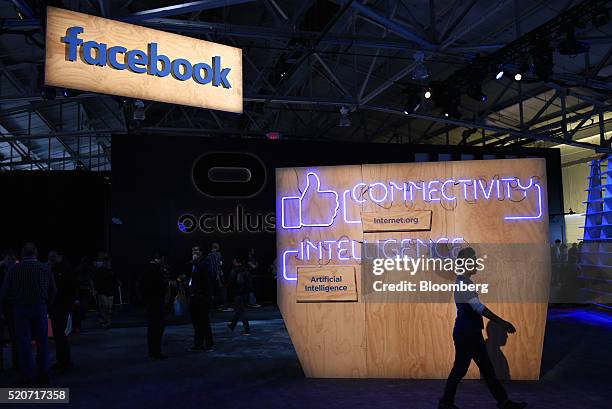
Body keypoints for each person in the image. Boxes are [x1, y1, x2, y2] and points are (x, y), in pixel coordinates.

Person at [439, 247, 527, 409]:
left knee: (476, 369)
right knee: (470, 369)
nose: (476, 262)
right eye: (473, 260)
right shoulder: (464, 283)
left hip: (468, 333)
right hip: (468, 334)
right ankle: (447, 402)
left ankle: (447, 402)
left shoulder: (463, 281)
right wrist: (503, 322)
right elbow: (478, 308)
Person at [0, 243, 56, 386]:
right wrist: (47, 305)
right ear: (36, 253)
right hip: (40, 307)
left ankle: (27, 376)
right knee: (42, 342)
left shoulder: (13, 270)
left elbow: (4, 292)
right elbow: (53, 290)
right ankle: (43, 375)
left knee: (24, 344)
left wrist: (6, 310)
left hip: (20, 309)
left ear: (22, 254)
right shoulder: (44, 268)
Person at [48, 250, 76, 372]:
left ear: (60, 256)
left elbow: (67, 288)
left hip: (60, 306)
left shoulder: (64, 270)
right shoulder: (58, 269)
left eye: (53, 257)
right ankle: (63, 360)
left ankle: (64, 361)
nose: (51, 259)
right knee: (59, 334)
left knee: (59, 333)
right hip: (59, 306)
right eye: (50, 257)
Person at [141, 253, 169, 360]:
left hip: (151, 302)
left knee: (153, 328)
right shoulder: (157, 271)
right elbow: (162, 285)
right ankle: (156, 351)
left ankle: (153, 351)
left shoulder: (148, 270)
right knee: (157, 328)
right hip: (156, 302)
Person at [188, 246, 214, 352]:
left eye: (197, 250)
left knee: (204, 321)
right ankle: (198, 344)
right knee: (196, 323)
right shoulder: (194, 264)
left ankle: (209, 344)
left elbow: (206, 274)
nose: (195, 253)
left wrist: (195, 262)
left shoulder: (205, 262)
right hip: (194, 296)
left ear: (202, 252)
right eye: (193, 251)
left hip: (202, 296)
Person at [0, 249, 18, 370]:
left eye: (12, 258)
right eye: (8, 258)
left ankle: (16, 364)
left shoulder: (17, 271)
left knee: (15, 338)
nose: (10, 261)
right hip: (2, 307)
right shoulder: (1, 270)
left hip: (14, 308)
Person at [92, 252, 117, 329]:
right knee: (104, 307)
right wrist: (95, 290)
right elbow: (95, 280)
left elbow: (114, 280)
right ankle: (106, 323)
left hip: (110, 292)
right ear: (104, 263)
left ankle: (105, 321)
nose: (108, 264)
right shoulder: (99, 270)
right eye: (106, 262)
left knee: (108, 308)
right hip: (102, 292)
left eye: (108, 262)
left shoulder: (111, 271)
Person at [227, 257, 251, 335]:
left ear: (237, 262)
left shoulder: (235, 271)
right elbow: (248, 282)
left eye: (234, 261)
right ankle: (232, 325)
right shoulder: (245, 270)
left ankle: (247, 329)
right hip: (244, 294)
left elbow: (231, 282)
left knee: (240, 311)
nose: (233, 263)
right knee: (239, 310)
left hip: (238, 293)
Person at [206, 243, 231, 311]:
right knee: (222, 290)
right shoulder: (217, 254)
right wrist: (218, 276)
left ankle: (214, 306)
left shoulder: (208, 255)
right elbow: (217, 266)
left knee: (213, 291)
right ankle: (223, 306)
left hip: (211, 275)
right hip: (217, 275)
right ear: (216, 247)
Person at [73, 256, 94, 333]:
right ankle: (77, 326)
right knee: (79, 309)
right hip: (80, 290)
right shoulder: (78, 269)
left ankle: (78, 326)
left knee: (82, 309)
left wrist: (92, 289)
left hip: (85, 290)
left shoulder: (88, 269)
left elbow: (90, 280)